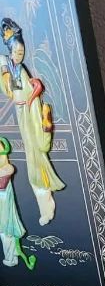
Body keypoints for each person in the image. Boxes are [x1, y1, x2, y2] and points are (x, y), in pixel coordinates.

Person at [1, 19, 64, 225]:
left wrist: (32, 101)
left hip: (30, 112)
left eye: (21, 52)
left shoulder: (22, 71)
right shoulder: (9, 68)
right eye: (16, 53)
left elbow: (32, 90)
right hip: (22, 114)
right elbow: (10, 90)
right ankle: (45, 207)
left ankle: (47, 208)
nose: (19, 56)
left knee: (38, 154)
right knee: (31, 158)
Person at [0, 136, 35, 269]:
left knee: (5, 233)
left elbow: (2, 184)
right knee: (4, 235)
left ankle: (11, 258)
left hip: (4, 207)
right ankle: (12, 256)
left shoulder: (7, 168)